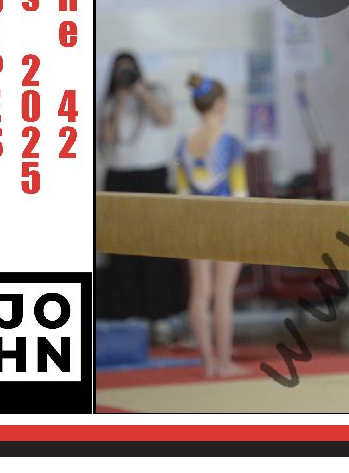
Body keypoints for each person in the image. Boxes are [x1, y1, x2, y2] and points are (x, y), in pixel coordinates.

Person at [98, 52, 182, 321]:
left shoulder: (156, 92)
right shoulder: (110, 101)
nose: (125, 75)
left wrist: (141, 92)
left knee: (157, 248)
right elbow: (107, 139)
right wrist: (121, 101)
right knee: (122, 249)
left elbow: (165, 118)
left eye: (130, 70)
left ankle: (159, 313)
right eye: (120, 71)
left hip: (152, 176)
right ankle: (126, 312)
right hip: (120, 178)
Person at [175, 74, 248, 378]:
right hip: (226, 221)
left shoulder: (183, 144)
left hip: (195, 222)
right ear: (220, 105)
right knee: (222, 294)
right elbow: (240, 193)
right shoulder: (230, 143)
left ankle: (207, 362)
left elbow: (182, 193)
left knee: (200, 292)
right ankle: (224, 362)